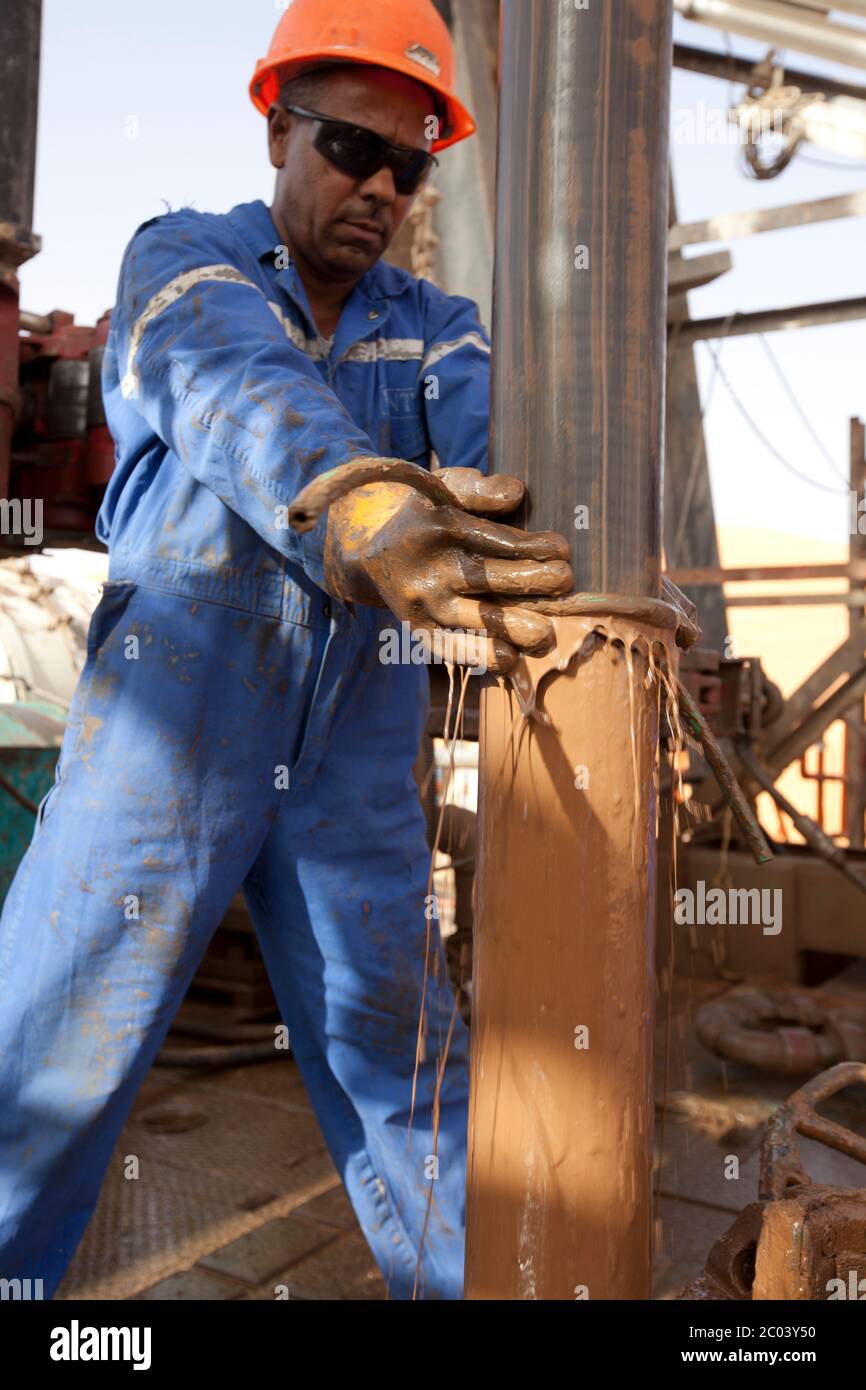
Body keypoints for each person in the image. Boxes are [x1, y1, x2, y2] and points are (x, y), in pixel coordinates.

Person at [0, 0, 573, 1300]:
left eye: (409, 167)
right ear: (275, 128)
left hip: (353, 763)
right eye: (348, 148)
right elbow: (230, 377)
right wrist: (361, 502)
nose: (378, 187)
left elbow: (489, 450)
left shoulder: (435, 327)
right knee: (47, 1059)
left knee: (407, 1063)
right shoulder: (185, 260)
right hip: (169, 736)